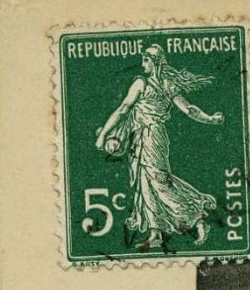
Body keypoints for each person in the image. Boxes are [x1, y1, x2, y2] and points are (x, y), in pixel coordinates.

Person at [95, 44, 224, 250]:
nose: (143, 64)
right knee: (146, 184)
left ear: (154, 62)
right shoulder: (165, 83)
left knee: (159, 182)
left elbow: (123, 110)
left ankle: (197, 219)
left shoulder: (144, 83)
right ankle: (155, 234)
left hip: (151, 137)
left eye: (146, 60)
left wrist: (103, 135)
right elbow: (189, 110)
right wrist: (210, 119)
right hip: (141, 137)